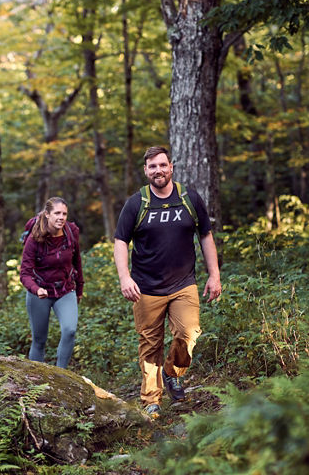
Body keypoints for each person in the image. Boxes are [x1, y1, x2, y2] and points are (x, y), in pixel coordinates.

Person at [113, 146, 222, 418]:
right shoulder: (136, 203)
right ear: (146, 171)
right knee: (150, 345)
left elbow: (206, 236)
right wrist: (125, 277)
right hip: (146, 287)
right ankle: (151, 400)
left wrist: (214, 274)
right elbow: (120, 242)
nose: (158, 171)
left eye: (162, 165)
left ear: (171, 167)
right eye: (152, 167)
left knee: (189, 333)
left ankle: (173, 373)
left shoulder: (189, 199)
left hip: (183, 284)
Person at [20, 197, 84, 369]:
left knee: (70, 330)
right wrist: (36, 289)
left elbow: (77, 261)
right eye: (57, 213)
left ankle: (60, 375)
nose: (61, 217)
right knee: (39, 339)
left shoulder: (71, 232)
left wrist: (79, 290)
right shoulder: (34, 238)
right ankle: (36, 380)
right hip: (40, 293)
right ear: (47, 214)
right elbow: (24, 273)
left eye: (64, 214)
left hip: (65, 290)